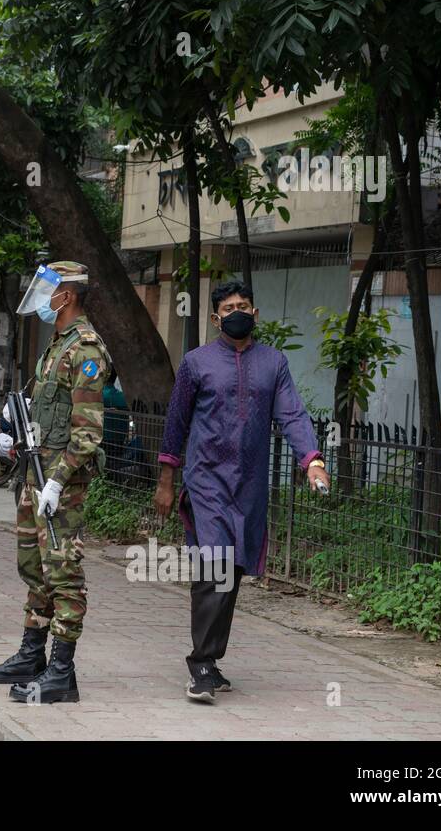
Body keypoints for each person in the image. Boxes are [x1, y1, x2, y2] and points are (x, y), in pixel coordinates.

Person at [154, 279, 331, 703]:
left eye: (244, 305)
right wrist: (166, 480)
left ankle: (211, 661)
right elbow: (176, 423)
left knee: (232, 571)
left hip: (249, 484)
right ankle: (199, 663)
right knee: (214, 564)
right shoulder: (196, 363)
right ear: (216, 318)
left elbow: (292, 414)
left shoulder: (274, 363)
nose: (237, 311)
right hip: (206, 480)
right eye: (229, 306)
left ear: (255, 314)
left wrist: (312, 461)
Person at [0, 261, 110, 703]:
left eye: (49, 290)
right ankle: (32, 654)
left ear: (67, 295)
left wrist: (56, 482)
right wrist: (11, 428)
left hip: (61, 482)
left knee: (65, 574)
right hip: (36, 475)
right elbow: (41, 407)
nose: (42, 298)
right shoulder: (56, 346)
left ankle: (62, 672)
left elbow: (87, 433)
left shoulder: (86, 349)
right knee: (35, 569)